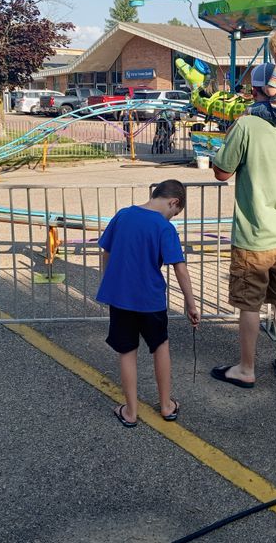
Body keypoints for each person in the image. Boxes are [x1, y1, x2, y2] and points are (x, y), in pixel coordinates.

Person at [210, 65, 276, 388]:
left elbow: (222, 172)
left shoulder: (247, 125)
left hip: (254, 235)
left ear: (256, 91)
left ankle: (246, 368)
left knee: (249, 304)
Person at [96, 180, 200, 427]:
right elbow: (180, 269)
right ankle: (166, 405)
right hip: (151, 300)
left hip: (120, 298)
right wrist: (191, 304)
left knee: (127, 351)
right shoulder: (164, 228)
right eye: (174, 214)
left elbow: (106, 251)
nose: (171, 218)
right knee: (160, 346)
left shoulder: (123, 215)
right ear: (173, 202)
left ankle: (130, 412)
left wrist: (107, 280)